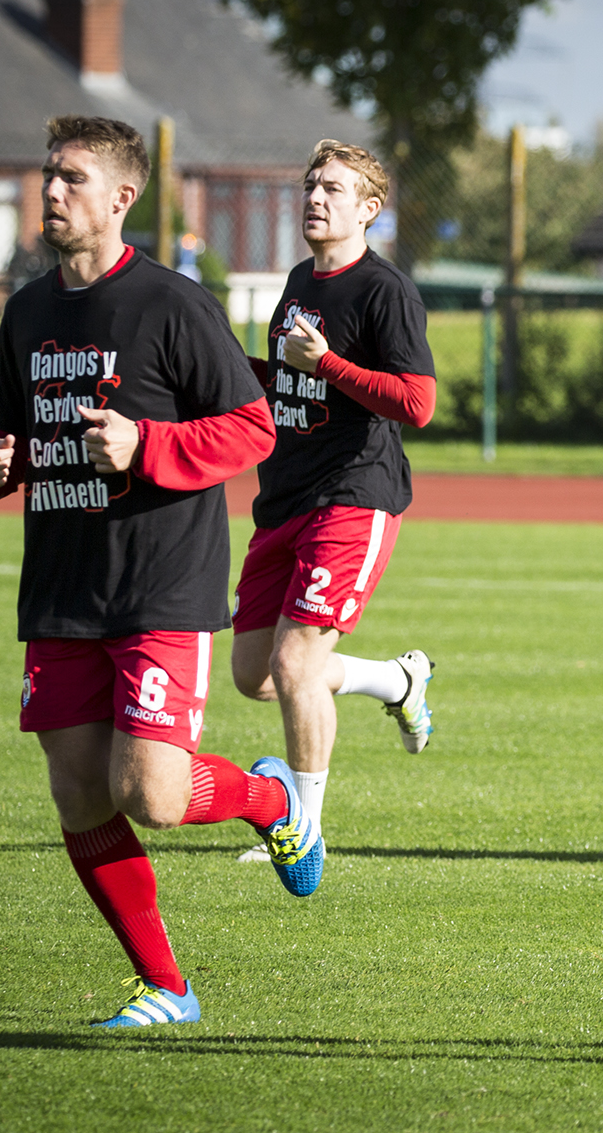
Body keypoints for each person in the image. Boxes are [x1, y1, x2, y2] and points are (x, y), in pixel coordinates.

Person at [0, 115, 320, 1029]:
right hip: (61, 588)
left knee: (153, 793)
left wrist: (144, 442)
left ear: (122, 197)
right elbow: (10, 436)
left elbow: (252, 426)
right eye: (47, 175)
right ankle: (166, 985)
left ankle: (271, 797)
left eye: (70, 178)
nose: (50, 192)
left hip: (160, 581)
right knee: (80, 790)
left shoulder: (173, 304)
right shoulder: (28, 311)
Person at [228, 141, 437, 863]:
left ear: (368, 210)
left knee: (295, 666)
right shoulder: (297, 281)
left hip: (354, 495)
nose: (316, 197)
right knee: (254, 674)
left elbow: (417, 403)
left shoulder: (385, 292)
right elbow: (292, 386)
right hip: (284, 496)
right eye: (311, 185)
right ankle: (397, 679)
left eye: (334, 188)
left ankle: (304, 828)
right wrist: (231, 370)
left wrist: (330, 364)